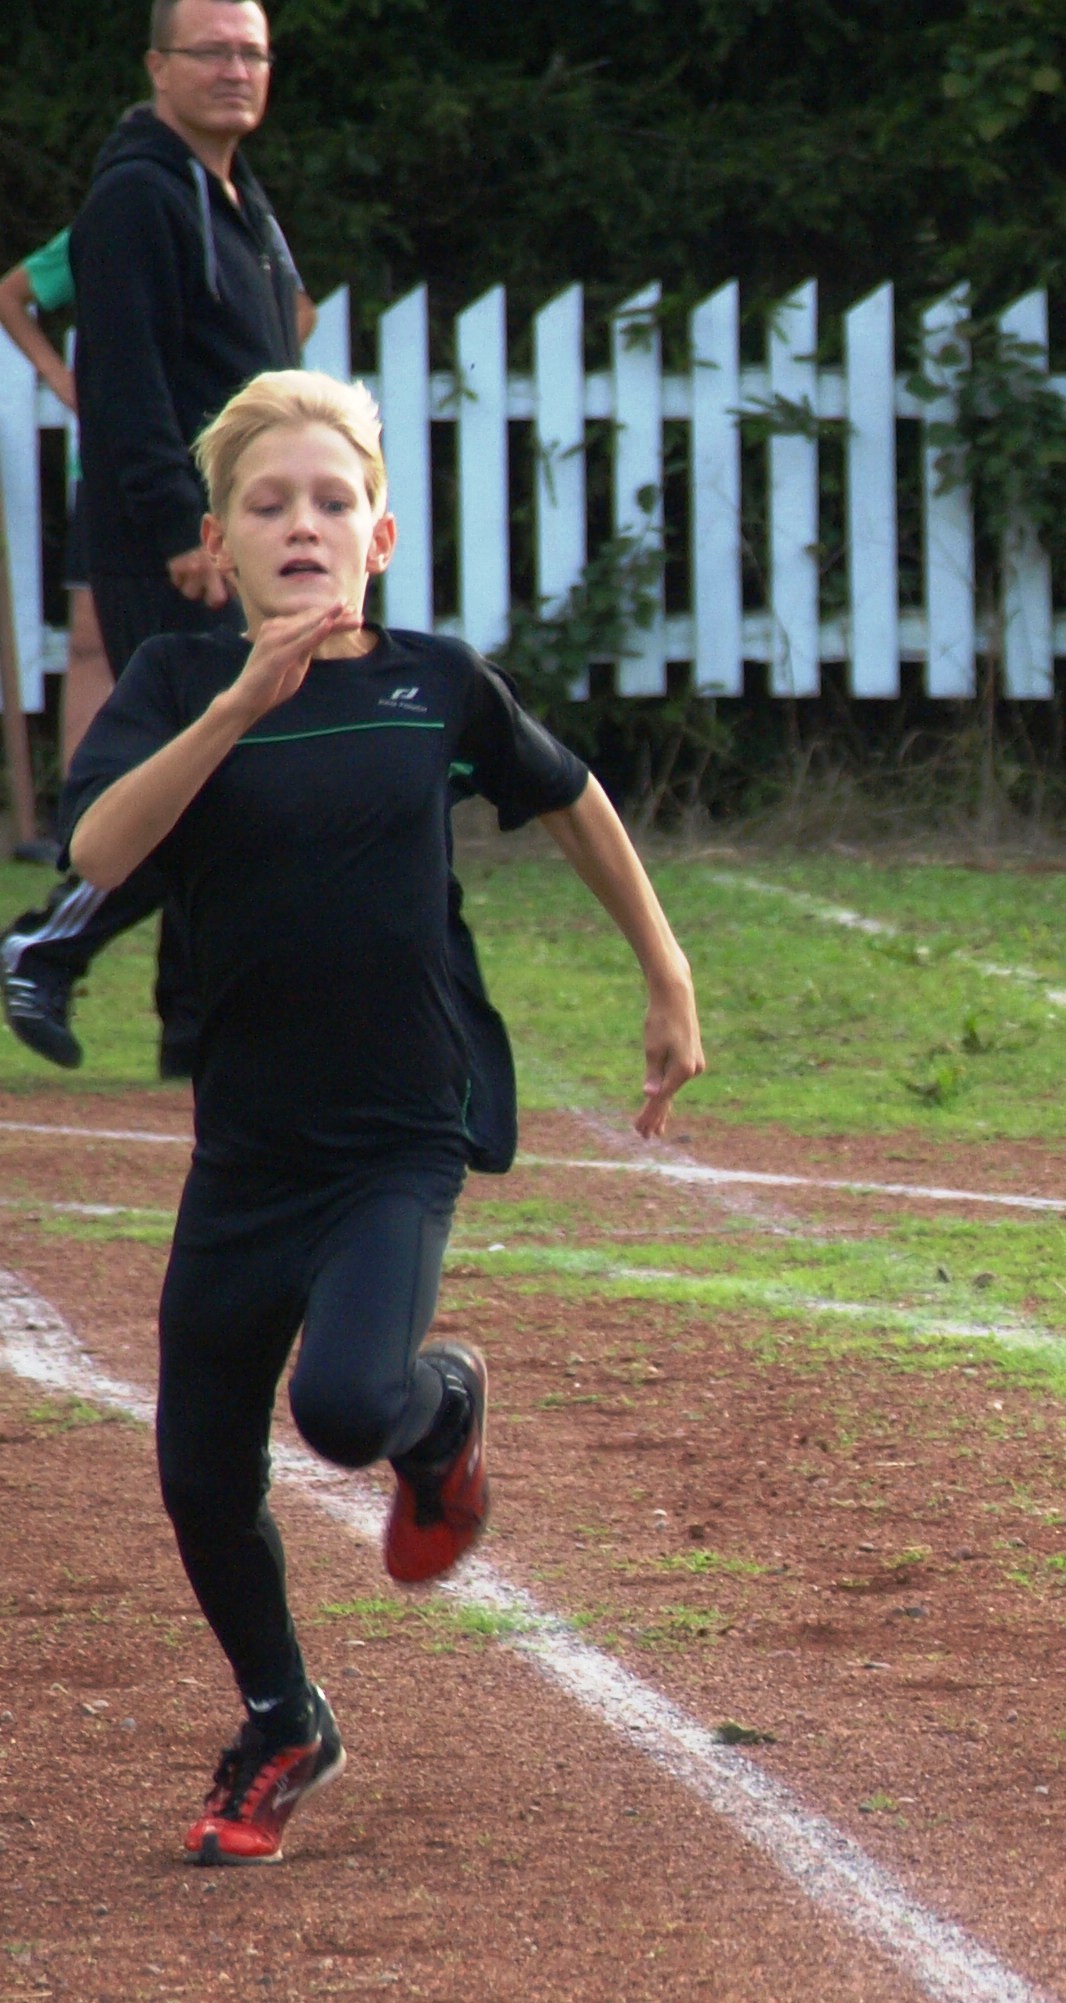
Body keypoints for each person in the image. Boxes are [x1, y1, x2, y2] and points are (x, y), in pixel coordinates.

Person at [62, 370, 704, 1865]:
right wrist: (236, 700)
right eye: (268, 506)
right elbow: (99, 848)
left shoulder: (435, 682)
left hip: (398, 1134)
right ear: (218, 548)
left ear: (383, 535)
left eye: (331, 501)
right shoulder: (174, 687)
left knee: (347, 1407)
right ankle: (284, 1718)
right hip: (248, 1147)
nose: (303, 525)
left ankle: (444, 1411)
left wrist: (664, 970)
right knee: (199, 1470)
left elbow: (572, 796)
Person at [9, 2, 304, 1068]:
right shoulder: (135, 199)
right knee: (206, 766)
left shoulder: (238, 200)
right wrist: (186, 524)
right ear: (157, 66)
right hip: (170, 539)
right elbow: (122, 380)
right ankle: (45, 944)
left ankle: (190, 1025)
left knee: (227, 772)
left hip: (243, 531)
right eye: (212, 51)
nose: (235, 69)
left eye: (251, 52)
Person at [0, 231, 120, 793]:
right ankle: (84, 817)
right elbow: (11, 294)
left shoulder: (231, 216)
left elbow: (298, 311)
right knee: (91, 638)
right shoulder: (108, 222)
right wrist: (56, 374)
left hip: (211, 463)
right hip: (109, 463)